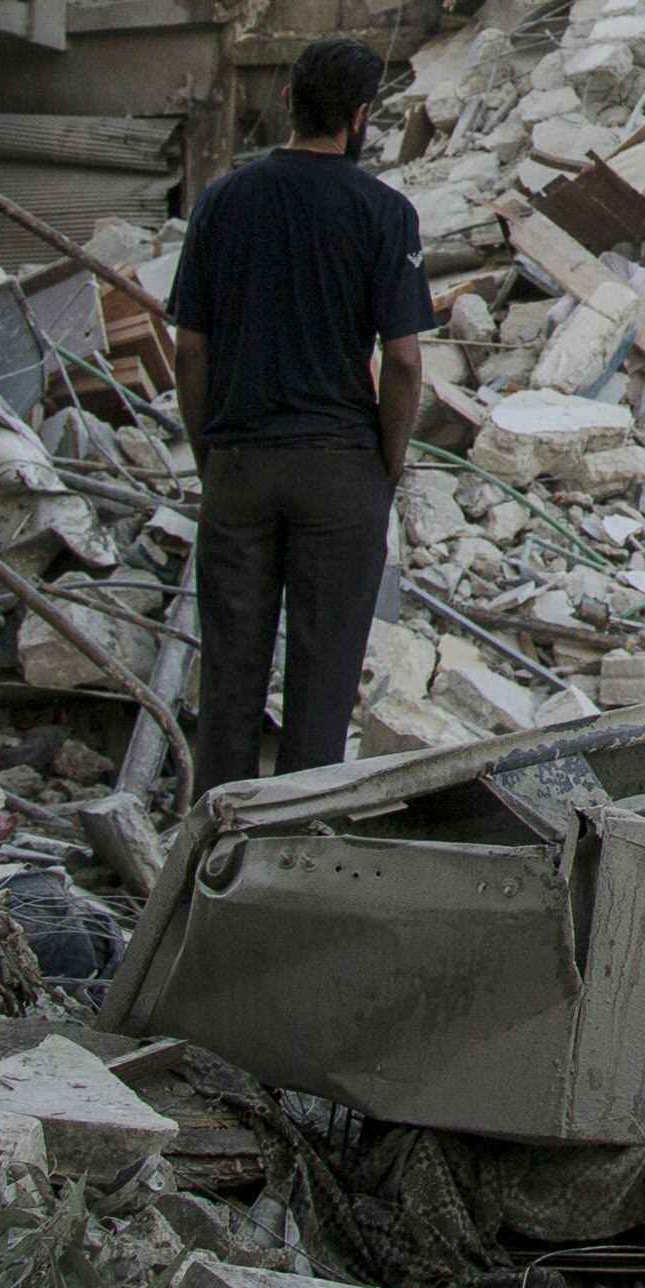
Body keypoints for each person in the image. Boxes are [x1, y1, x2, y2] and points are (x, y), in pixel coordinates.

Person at [165, 38, 437, 789]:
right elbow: (406, 364)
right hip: (340, 473)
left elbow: (191, 350)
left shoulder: (223, 200)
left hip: (240, 468)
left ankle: (211, 861)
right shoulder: (384, 211)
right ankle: (296, 856)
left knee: (228, 688)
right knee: (319, 700)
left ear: (286, 101)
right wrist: (383, 467)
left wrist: (209, 454)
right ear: (358, 118)